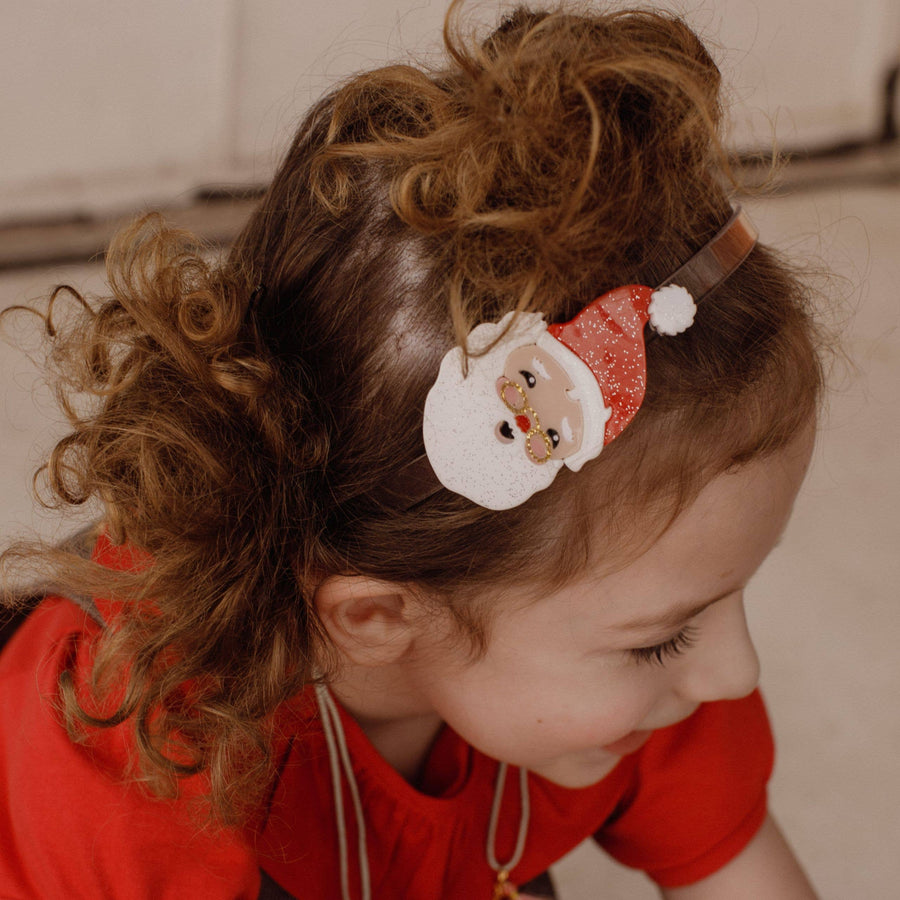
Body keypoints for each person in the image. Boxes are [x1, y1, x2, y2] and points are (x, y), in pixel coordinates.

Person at [0, 4, 825, 898]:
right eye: (664, 641)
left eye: (729, 594)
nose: (733, 672)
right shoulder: (125, 753)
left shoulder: (637, 645)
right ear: (379, 617)